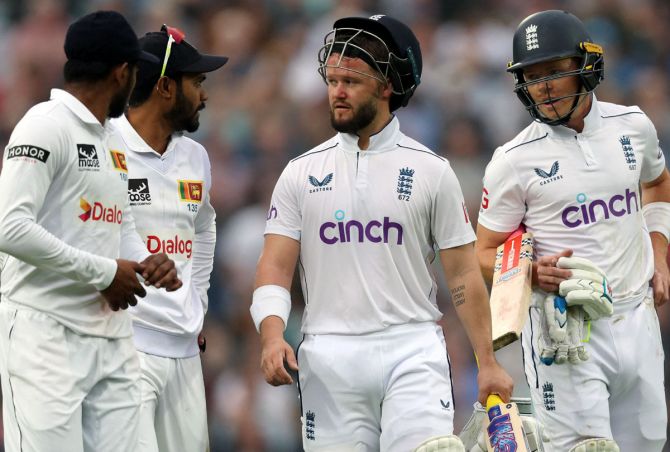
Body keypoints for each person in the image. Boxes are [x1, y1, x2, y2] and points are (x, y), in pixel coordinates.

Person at [251, 14, 513, 452]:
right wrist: (272, 335)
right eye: (332, 79)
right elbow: (274, 269)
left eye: (351, 81)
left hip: (412, 351)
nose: (336, 91)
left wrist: (487, 361)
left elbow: (464, 276)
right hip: (327, 357)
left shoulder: (433, 171)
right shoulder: (299, 173)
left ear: (387, 85)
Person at [475, 10, 669, 452]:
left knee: (649, 444)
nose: (541, 86)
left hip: (638, 318)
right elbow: (482, 252)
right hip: (563, 330)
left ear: (587, 65)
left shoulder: (633, 127)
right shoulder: (512, 160)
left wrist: (660, 254)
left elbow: (658, 183)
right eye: (531, 75)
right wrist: (527, 273)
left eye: (554, 71)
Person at [0, 11, 182, 452]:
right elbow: (9, 227)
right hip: (45, 336)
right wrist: (103, 273)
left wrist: (144, 261)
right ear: (122, 73)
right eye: (136, 71)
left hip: (112, 338)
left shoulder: (112, 138)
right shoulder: (44, 125)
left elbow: (116, 222)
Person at [111, 25, 227, 452]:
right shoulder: (106, 147)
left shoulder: (195, 156)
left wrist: (198, 298)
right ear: (164, 87)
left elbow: (204, 226)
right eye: (196, 83)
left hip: (184, 350)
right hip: (126, 345)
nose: (205, 95)